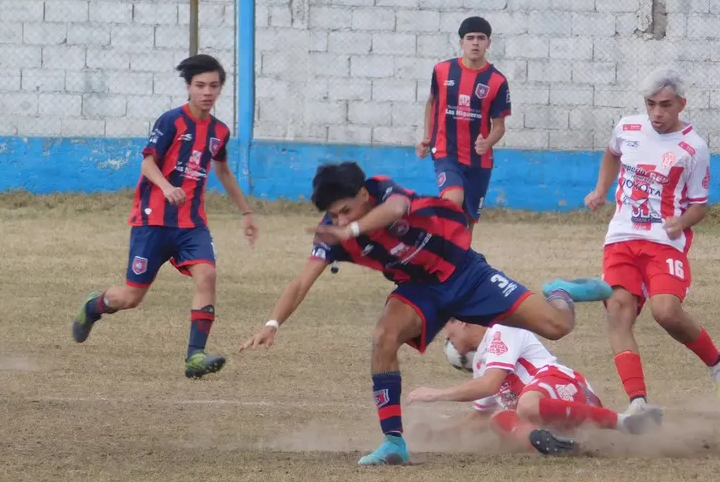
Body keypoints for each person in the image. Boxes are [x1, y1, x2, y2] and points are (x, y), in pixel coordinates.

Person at [239, 161, 612, 466]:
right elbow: (301, 282)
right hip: (422, 291)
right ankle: (394, 442)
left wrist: (351, 229)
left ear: (364, 196)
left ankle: (561, 291)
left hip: (466, 273)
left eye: (346, 210)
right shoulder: (332, 233)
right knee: (383, 336)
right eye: (333, 215)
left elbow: (397, 209)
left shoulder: (383, 190)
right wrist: (272, 324)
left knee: (557, 325)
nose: (338, 220)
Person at [71, 54, 258, 380]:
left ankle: (194, 357)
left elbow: (223, 170)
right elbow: (147, 163)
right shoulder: (171, 121)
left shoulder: (220, 131)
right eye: (200, 85)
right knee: (131, 297)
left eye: (214, 86)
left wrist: (247, 212)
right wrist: (166, 187)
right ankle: (94, 305)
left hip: (192, 224)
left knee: (208, 276)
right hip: (152, 221)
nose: (207, 92)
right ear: (189, 87)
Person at [584, 66, 720, 415]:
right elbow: (612, 153)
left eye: (665, 105)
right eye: (651, 104)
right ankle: (638, 403)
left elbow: (699, 206)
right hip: (621, 238)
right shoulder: (628, 127)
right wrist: (600, 190)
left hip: (663, 243)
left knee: (666, 312)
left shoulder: (693, 148)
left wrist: (679, 222)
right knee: (618, 313)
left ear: (681, 104)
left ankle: (716, 362)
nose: (657, 113)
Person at [407, 320, 663, 456]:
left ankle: (624, 422)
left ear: (462, 321)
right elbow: (479, 417)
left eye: (447, 329)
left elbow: (490, 384)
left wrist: (436, 394)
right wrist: (439, 433)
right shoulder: (481, 365)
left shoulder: (501, 330)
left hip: (569, 387)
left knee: (525, 405)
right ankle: (548, 444)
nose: (446, 337)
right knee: (498, 417)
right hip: (554, 415)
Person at [416, 16, 510, 227]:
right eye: (470, 38)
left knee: (466, 224)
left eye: (481, 38)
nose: (475, 42)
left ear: (488, 43)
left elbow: (499, 126)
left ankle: (457, 258)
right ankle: (433, 243)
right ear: (461, 43)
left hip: (479, 160)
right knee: (453, 199)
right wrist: (427, 137)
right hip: (446, 152)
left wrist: (487, 143)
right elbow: (432, 103)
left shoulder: (497, 81)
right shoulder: (442, 71)